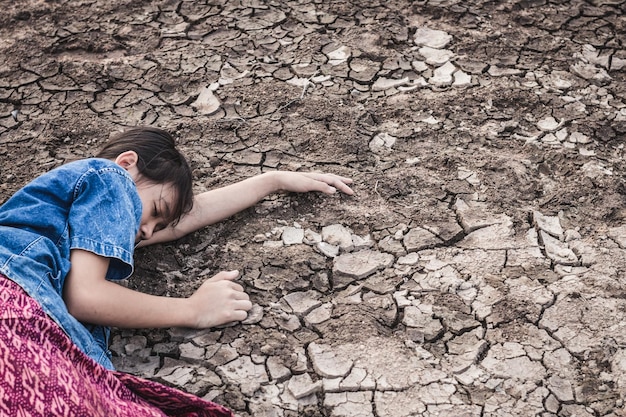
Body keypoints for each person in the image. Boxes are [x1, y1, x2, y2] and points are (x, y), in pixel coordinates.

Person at [0, 126, 354, 416]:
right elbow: (85, 296)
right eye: (155, 211)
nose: (149, 232)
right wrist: (193, 309)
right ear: (128, 165)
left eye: (158, 225)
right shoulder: (109, 177)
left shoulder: (89, 232)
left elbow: (187, 218)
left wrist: (271, 181)